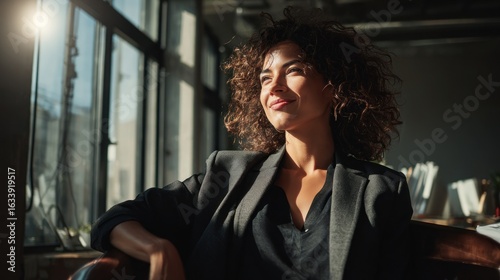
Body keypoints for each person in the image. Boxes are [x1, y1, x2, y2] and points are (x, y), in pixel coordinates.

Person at [91, 6, 413, 280]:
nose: (275, 86)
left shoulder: (381, 190)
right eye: (265, 78)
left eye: (294, 70)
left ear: (333, 86)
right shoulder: (227, 175)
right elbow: (115, 220)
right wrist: (157, 248)